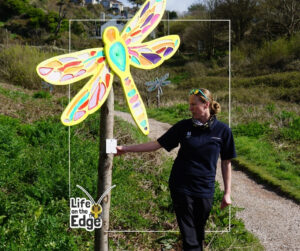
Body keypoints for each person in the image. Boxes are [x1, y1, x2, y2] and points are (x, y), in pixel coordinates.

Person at [116, 88, 236, 251]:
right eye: (190, 104)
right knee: (189, 236)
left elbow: (226, 162)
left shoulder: (223, 131)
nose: (190, 108)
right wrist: (126, 148)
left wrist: (227, 193)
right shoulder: (183, 127)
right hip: (181, 185)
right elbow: (156, 144)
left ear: (206, 104)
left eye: (194, 104)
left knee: (198, 233)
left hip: (205, 189)